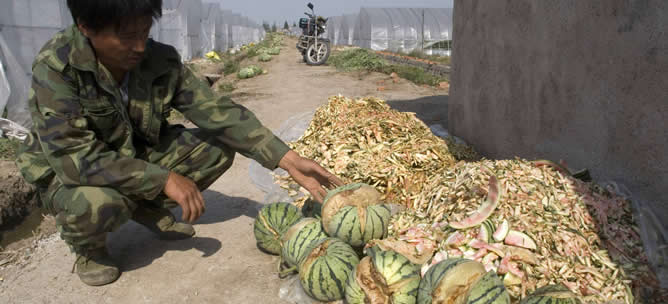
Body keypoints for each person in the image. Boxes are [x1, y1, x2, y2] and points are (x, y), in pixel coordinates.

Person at [15, 0, 342, 286]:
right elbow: (75, 159)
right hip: (71, 174)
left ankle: (144, 208)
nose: (140, 46)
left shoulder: (158, 59)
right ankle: (89, 248)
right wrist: (162, 178)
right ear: (86, 27)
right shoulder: (58, 68)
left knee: (217, 147)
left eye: (144, 31)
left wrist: (285, 158)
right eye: (127, 36)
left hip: (131, 155)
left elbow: (215, 112)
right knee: (99, 202)